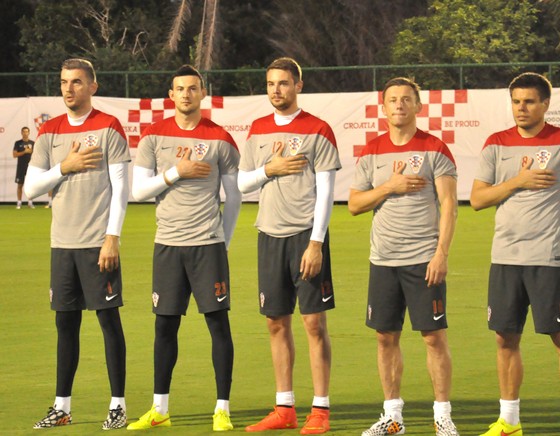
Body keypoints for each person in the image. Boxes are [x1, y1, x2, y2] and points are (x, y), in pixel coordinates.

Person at [469, 72, 560, 436]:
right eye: (516, 101)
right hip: (505, 258)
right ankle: (509, 420)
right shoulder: (495, 143)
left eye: (530, 101)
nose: (522, 108)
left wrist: (555, 234)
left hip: (548, 260)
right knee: (505, 339)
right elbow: (477, 199)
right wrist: (518, 181)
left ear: (545, 104)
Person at [127, 64, 241, 432]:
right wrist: (176, 172)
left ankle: (222, 408)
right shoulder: (153, 136)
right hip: (168, 246)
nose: (187, 94)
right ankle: (160, 408)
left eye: (193, 88)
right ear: (171, 95)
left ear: (203, 93)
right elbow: (138, 192)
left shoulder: (221, 138)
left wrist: (222, 238)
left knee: (218, 325)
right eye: (180, 89)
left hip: (207, 246)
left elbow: (234, 197)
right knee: (164, 327)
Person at [349, 77, 459, 436]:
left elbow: (449, 206)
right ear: (383, 108)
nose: (399, 105)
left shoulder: (434, 148)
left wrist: (440, 253)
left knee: (433, 337)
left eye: (406, 99)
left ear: (418, 106)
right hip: (383, 259)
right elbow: (353, 204)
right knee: (385, 336)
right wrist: (388, 187)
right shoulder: (371, 151)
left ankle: (443, 417)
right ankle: (393, 416)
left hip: (423, 258)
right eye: (392, 100)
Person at [24, 58, 129, 430]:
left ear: (93, 87)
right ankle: (62, 406)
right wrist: (63, 167)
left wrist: (112, 238)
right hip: (62, 245)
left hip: (97, 244)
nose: (69, 89)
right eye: (65, 82)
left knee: (108, 322)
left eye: (78, 82)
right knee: (65, 326)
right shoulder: (50, 131)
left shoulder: (108, 128)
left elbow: (121, 190)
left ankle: (118, 405)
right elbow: (33, 187)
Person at [238, 57, 340, 435]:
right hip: (269, 235)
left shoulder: (318, 129)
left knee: (314, 323)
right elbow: (241, 184)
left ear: (298, 84)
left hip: (305, 237)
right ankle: (284, 408)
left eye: (282, 83)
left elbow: (327, 192)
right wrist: (269, 169)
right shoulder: (258, 129)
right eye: (269, 84)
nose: (275, 90)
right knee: (276, 323)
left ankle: (321, 410)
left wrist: (316, 242)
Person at [13, 126, 35, 209]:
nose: (25, 133)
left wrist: (31, 151)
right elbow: (14, 155)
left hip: (30, 167)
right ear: (21, 133)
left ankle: (30, 202)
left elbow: (36, 154)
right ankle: (19, 202)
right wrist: (24, 151)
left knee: (31, 185)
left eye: (27, 131)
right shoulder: (18, 143)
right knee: (20, 185)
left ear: (29, 133)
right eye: (24, 132)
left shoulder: (32, 143)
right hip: (21, 167)